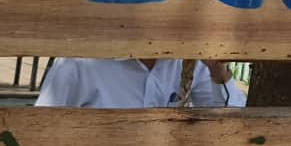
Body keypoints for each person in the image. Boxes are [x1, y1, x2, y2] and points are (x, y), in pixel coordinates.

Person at [34, 57, 238, 108]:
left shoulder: (191, 63)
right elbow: (39, 134)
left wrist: (218, 71)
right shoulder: (79, 64)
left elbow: (235, 124)